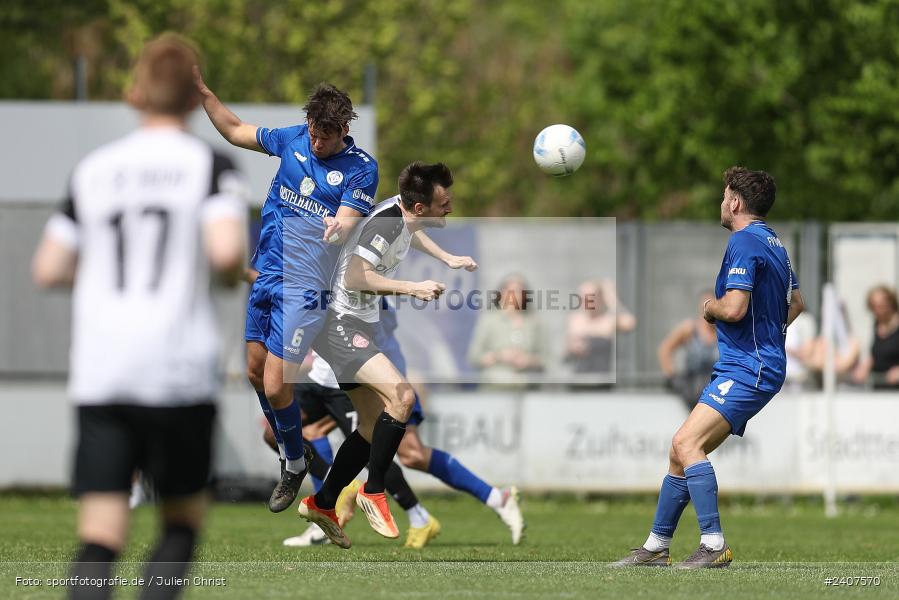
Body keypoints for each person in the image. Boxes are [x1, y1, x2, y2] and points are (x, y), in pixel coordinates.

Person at [32, 34, 246, 600]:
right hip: (175, 370)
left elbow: (49, 267)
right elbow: (226, 255)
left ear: (135, 94)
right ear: (190, 99)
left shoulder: (95, 168)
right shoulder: (210, 164)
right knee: (179, 524)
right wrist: (218, 276)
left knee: (100, 536)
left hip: (103, 371)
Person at [194, 67, 378, 512]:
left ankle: (294, 464)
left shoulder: (360, 169)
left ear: (344, 129)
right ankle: (295, 459)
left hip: (306, 287)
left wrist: (340, 225)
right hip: (266, 276)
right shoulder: (293, 138)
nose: (318, 142)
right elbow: (236, 130)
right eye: (315, 133)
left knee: (278, 388)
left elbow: (350, 219)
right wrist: (201, 91)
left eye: (327, 135)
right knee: (256, 373)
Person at [612, 166, 804, 569]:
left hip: (748, 366)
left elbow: (733, 308)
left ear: (734, 201)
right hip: (754, 363)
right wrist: (770, 331)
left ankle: (714, 544)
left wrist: (709, 309)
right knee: (679, 450)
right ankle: (655, 546)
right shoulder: (776, 244)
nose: (721, 203)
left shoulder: (743, 242)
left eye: (724, 196)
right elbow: (797, 304)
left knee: (687, 445)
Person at [297, 162, 478, 548]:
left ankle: (323, 503)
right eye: (444, 203)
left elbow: (413, 233)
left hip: (351, 325)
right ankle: (373, 490)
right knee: (402, 397)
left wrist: (447, 259)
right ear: (417, 207)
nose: (449, 207)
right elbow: (356, 277)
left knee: (367, 425)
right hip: (340, 323)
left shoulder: (403, 214)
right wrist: (412, 287)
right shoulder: (388, 223)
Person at [467, 274, 546, 385]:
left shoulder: (533, 322)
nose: (516, 295)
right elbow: (474, 357)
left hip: (527, 386)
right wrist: (499, 356)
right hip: (495, 386)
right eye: (512, 291)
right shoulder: (489, 320)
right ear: (502, 293)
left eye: (520, 292)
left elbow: (546, 359)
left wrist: (528, 361)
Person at [566, 279, 636, 384]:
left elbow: (630, 323)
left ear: (600, 298)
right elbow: (568, 349)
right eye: (583, 298)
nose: (586, 301)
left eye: (590, 297)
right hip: (579, 381)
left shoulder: (608, 320)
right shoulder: (575, 319)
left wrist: (612, 299)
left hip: (602, 382)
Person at [658, 290, 718, 409]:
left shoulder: (723, 332)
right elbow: (665, 348)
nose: (708, 313)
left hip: (716, 389)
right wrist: (671, 377)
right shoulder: (689, 328)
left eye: (711, 309)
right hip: (692, 389)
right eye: (705, 308)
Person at [852, 285, 899, 389]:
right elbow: (876, 354)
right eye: (874, 307)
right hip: (879, 386)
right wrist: (864, 367)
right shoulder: (876, 324)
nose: (877, 311)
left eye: (881, 306)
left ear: (891, 303)